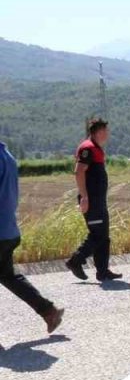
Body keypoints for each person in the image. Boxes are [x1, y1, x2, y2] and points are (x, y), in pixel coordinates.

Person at [0, 140, 64, 333]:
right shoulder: (7, 156)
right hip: (8, 230)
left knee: (7, 276)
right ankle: (49, 312)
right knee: (8, 276)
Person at [66, 116, 121, 281]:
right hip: (91, 200)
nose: (107, 134)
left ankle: (102, 272)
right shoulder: (88, 148)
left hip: (98, 200)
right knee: (97, 235)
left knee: (103, 236)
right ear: (98, 132)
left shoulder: (96, 148)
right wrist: (84, 197)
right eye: (105, 131)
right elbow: (79, 171)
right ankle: (75, 261)